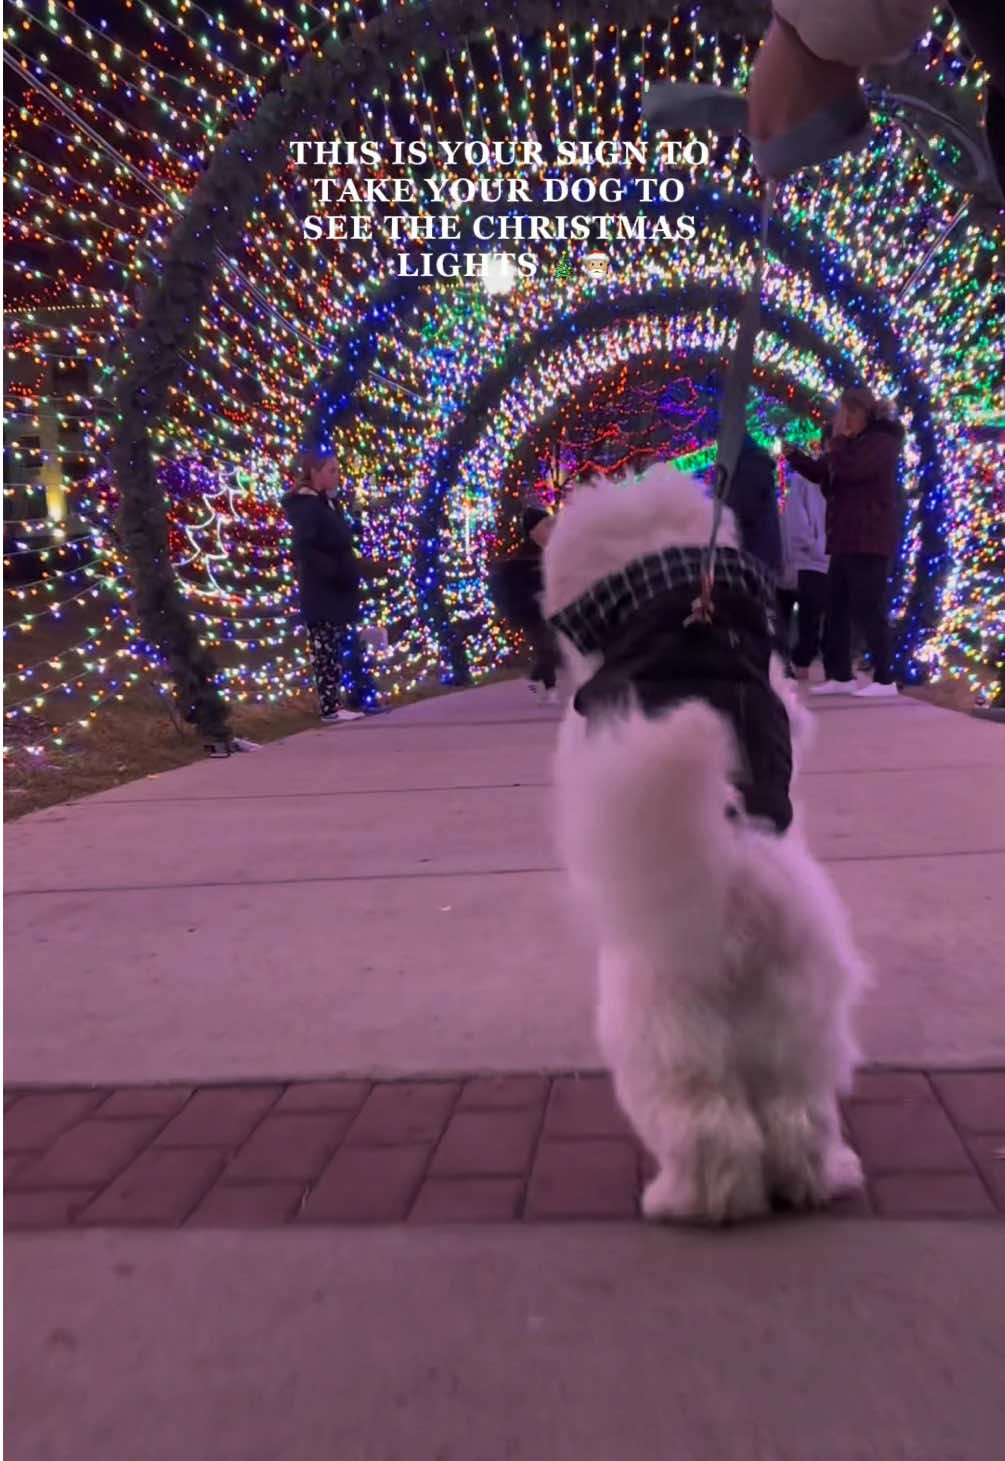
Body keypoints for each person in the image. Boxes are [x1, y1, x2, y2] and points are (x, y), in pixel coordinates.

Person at [783, 388, 903, 698]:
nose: (838, 420)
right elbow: (824, 471)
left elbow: (852, 470)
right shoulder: (849, 445)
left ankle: (885, 678)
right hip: (845, 539)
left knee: (868, 607)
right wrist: (795, 457)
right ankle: (840, 675)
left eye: (842, 413)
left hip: (869, 538)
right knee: (836, 609)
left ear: (856, 414)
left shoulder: (881, 443)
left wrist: (837, 442)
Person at [282, 449, 377, 724]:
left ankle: (335, 703)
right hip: (321, 590)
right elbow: (305, 546)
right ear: (315, 473)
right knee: (324, 649)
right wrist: (332, 569)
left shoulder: (329, 503)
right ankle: (329, 707)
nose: (337, 475)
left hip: (336, 589)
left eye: (337, 469)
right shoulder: (307, 506)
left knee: (334, 648)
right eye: (331, 470)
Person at [489, 505, 560, 704]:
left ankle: (548, 687)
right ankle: (539, 681)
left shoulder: (547, 552)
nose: (550, 529)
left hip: (547, 609)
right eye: (545, 525)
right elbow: (520, 584)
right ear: (533, 531)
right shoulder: (525, 556)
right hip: (532, 612)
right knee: (549, 648)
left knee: (552, 649)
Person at [780, 427, 831, 678]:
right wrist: (812, 544)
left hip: (834, 555)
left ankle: (832, 666)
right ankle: (802, 664)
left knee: (832, 616)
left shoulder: (847, 474)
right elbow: (797, 519)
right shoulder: (804, 480)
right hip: (812, 559)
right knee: (809, 616)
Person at [727, 434, 785, 581]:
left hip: (755, 562)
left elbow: (742, 513)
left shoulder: (749, 468)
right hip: (763, 560)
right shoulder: (754, 465)